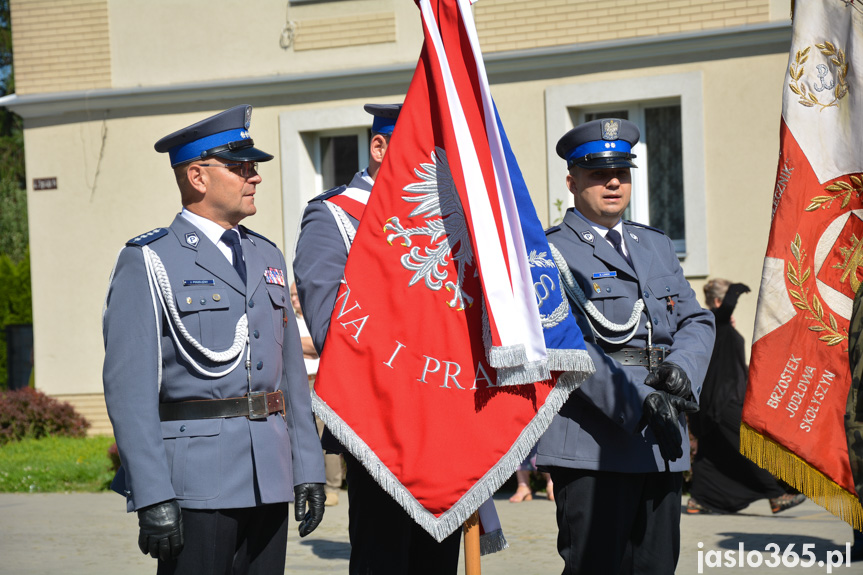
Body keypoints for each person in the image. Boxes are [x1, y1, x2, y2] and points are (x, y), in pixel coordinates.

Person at [102, 105, 326, 575]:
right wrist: (153, 493)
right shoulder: (149, 260)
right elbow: (129, 393)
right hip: (196, 480)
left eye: (255, 167)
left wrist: (307, 469)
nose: (255, 177)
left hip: (269, 473)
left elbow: (290, 382)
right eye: (241, 167)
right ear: (198, 177)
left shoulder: (265, 253)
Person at [535, 118, 716, 574]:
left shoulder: (653, 244)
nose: (613, 182)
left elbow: (696, 319)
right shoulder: (549, 253)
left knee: (657, 567)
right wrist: (638, 401)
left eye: (622, 172)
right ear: (573, 181)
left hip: (662, 437)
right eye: (598, 173)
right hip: (597, 441)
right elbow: (566, 343)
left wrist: (683, 370)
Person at [294, 103, 462, 574]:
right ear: (380, 146)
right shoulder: (334, 216)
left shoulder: (442, 217)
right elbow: (331, 324)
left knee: (437, 563)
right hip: (380, 421)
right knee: (384, 559)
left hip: (443, 422)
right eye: (416, 151)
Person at [686, 279, 806, 515]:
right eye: (726, 301)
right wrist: (735, 292)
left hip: (717, 402)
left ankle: (698, 500)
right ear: (719, 302)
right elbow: (723, 312)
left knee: (709, 451)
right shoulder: (713, 322)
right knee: (749, 447)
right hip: (723, 402)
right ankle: (776, 496)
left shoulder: (719, 327)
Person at [290, 280, 344, 507]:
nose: (294, 299)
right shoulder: (290, 322)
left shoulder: (317, 318)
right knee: (302, 435)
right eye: (291, 295)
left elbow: (319, 344)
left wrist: (296, 344)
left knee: (324, 435)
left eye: (296, 294)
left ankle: (332, 487)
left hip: (318, 382)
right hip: (298, 383)